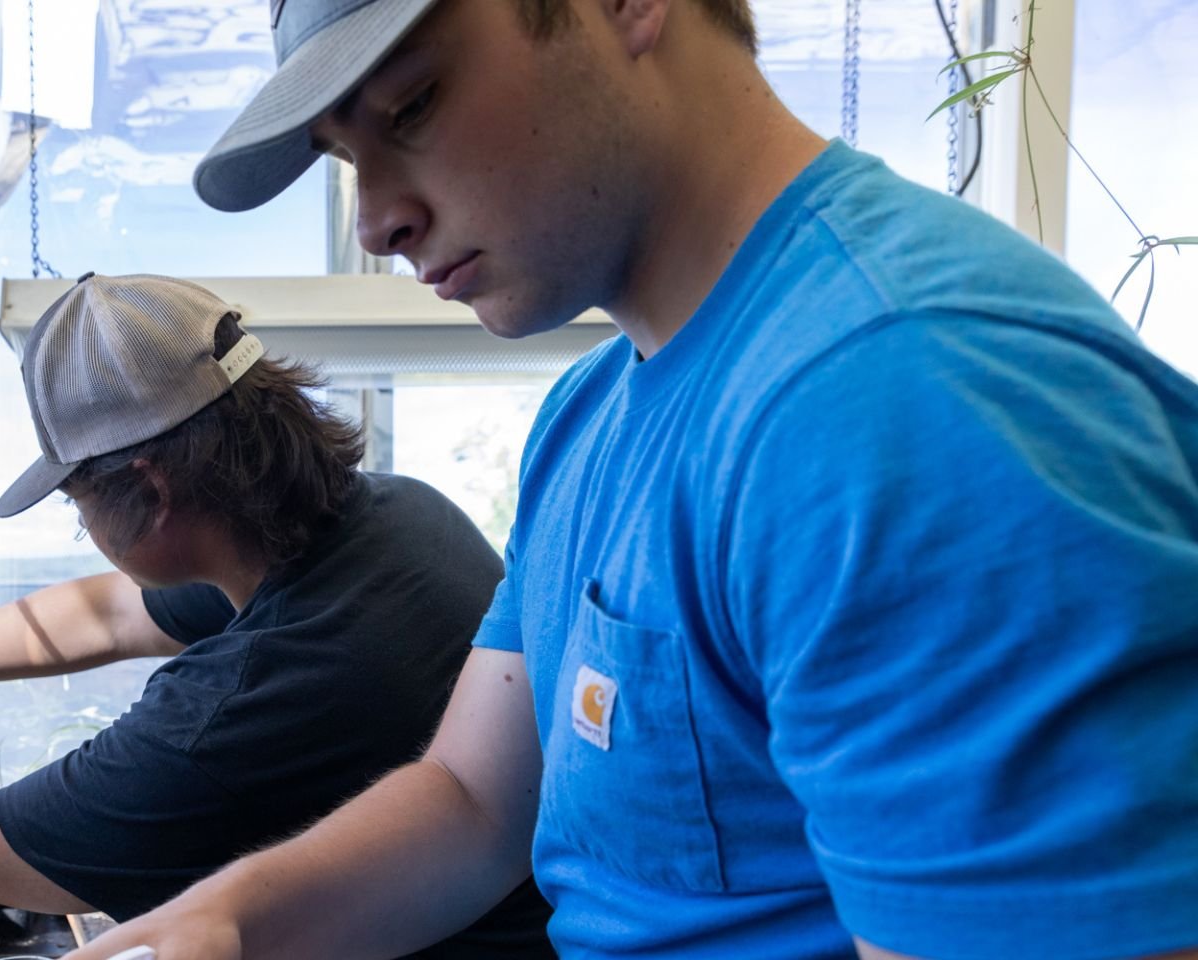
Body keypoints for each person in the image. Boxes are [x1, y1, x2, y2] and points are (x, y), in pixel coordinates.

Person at [66, 1, 1198, 958]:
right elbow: (471, 805)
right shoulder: (596, 412)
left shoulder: (904, 405)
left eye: (411, 107)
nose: (377, 221)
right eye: (347, 159)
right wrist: (218, 922)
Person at [0, 272, 556, 957]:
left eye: (79, 508)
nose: (89, 538)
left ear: (150, 490)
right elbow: (107, 615)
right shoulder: (390, 515)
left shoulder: (240, 702)